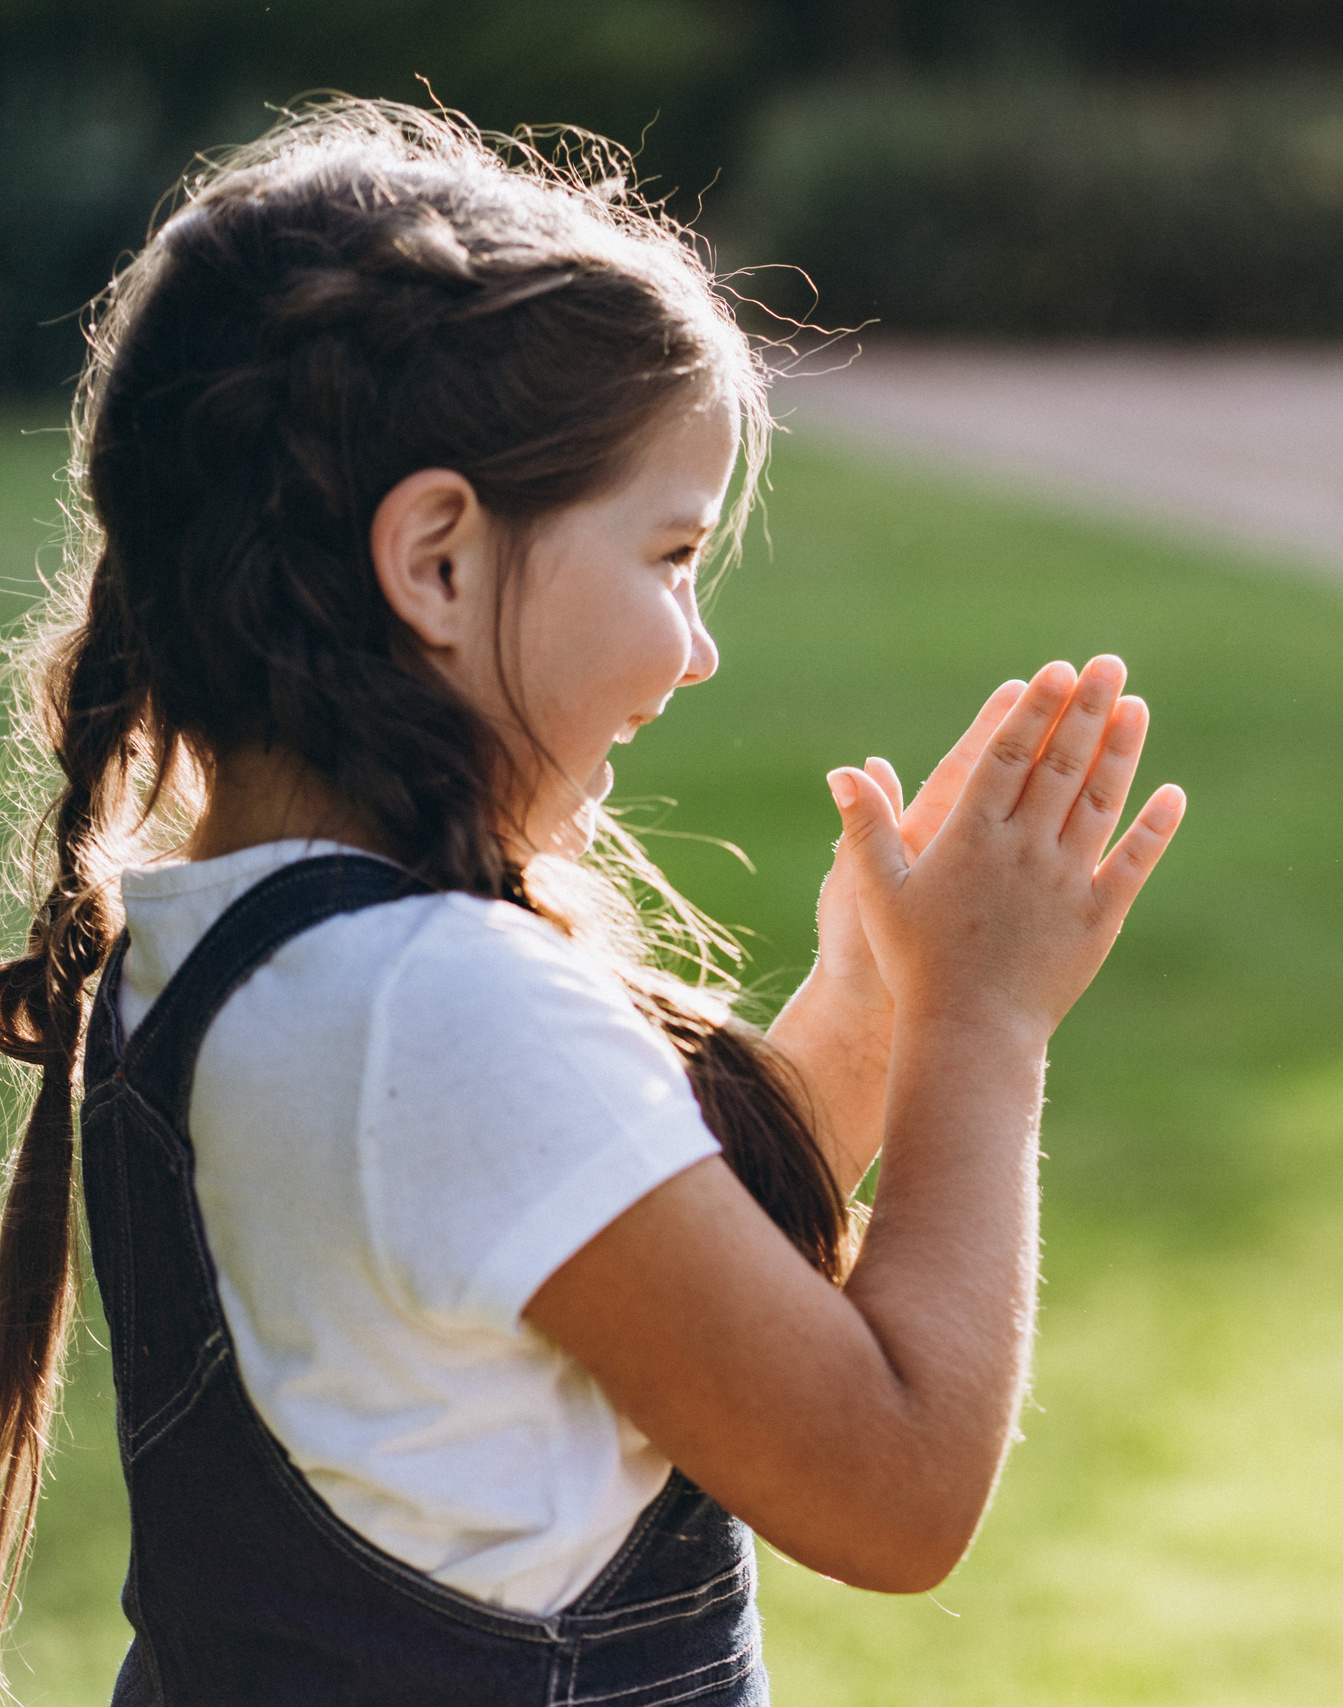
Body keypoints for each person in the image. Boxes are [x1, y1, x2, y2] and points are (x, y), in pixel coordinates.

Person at [0, 98, 1185, 1702]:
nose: (696, 649)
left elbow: (626, 1258)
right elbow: (897, 1488)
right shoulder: (438, 1008)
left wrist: (870, 1001)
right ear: (436, 558)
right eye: (671, 554)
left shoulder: (225, 955)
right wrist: (983, 1022)